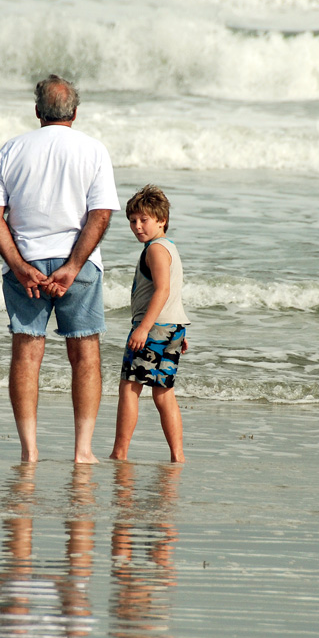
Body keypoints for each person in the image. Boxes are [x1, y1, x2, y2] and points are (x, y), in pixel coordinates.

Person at [0, 75, 120, 463]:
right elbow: (101, 214)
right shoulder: (93, 150)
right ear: (75, 112)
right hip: (78, 263)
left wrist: (18, 265)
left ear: (38, 111)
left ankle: (29, 450)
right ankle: (83, 450)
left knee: (27, 354)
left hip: (26, 264)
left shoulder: (12, 149)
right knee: (86, 355)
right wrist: (74, 266)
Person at [109, 185, 189, 463]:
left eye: (144, 220)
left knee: (129, 388)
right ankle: (177, 456)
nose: (137, 226)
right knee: (164, 394)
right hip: (172, 327)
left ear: (161, 220)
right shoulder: (170, 248)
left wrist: (143, 328)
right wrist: (175, 330)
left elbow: (163, 290)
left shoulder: (155, 249)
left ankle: (120, 453)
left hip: (153, 327)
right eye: (133, 220)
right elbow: (173, 292)